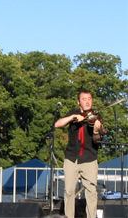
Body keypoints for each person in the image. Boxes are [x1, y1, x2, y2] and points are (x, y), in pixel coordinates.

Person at [54, 89, 104, 218]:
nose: (87, 102)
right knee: (69, 191)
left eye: (89, 99)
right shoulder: (73, 113)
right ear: (79, 102)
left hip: (89, 158)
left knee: (92, 191)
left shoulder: (96, 116)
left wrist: (97, 131)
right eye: (84, 99)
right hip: (72, 158)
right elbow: (57, 124)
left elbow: (97, 140)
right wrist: (72, 117)